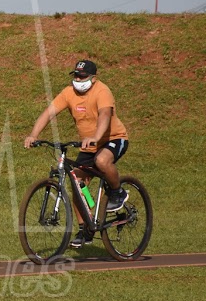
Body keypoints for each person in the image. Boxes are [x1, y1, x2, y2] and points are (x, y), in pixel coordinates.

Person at [24, 59, 130, 248]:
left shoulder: (102, 91)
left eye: (82, 76)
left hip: (113, 138)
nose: (78, 79)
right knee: (78, 184)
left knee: (103, 160)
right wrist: (33, 135)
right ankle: (85, 228)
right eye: (76, 75)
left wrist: (96, 137)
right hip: (88, 144)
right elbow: (49, 113)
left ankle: (117, 192)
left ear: (93, 78)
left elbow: (105, 116)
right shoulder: (68, 93)